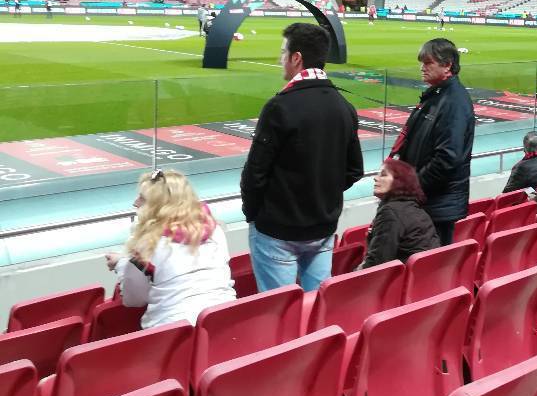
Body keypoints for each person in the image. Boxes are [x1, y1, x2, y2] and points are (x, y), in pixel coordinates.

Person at [241, 22, 364, 292]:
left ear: (297, 58)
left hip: (278, 230)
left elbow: (255, 173)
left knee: (279, 313)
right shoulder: (345, 107)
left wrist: (254, 214)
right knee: (315, 309)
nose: (279, 59)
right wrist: (322, 193)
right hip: (322, 228)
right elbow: (354, 170)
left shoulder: (279, 107)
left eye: (283, 52)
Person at [105, 169, 235, 328]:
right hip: (224, 323)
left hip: (175, 334)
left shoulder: (147, 244)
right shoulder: (215, 231)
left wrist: (122, 264)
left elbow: (134, 299)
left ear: (159, 207)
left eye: (143, 199)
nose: (135, 202)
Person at [391, 38, 475, 246]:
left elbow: (446, 159)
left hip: (435, 206)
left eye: (428, 63)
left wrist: (411, 187)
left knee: (426, 268)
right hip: (431, 202)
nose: (422, 68)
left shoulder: (453, 102)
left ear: (447, 65)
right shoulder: (439, 96)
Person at [360, 159, 440, 268]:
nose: (375, 178)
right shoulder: (414, 208)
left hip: (405, 279)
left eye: (383, 175)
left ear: (398, 182)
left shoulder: (390, 212)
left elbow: (377, 262)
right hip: (426, 275)